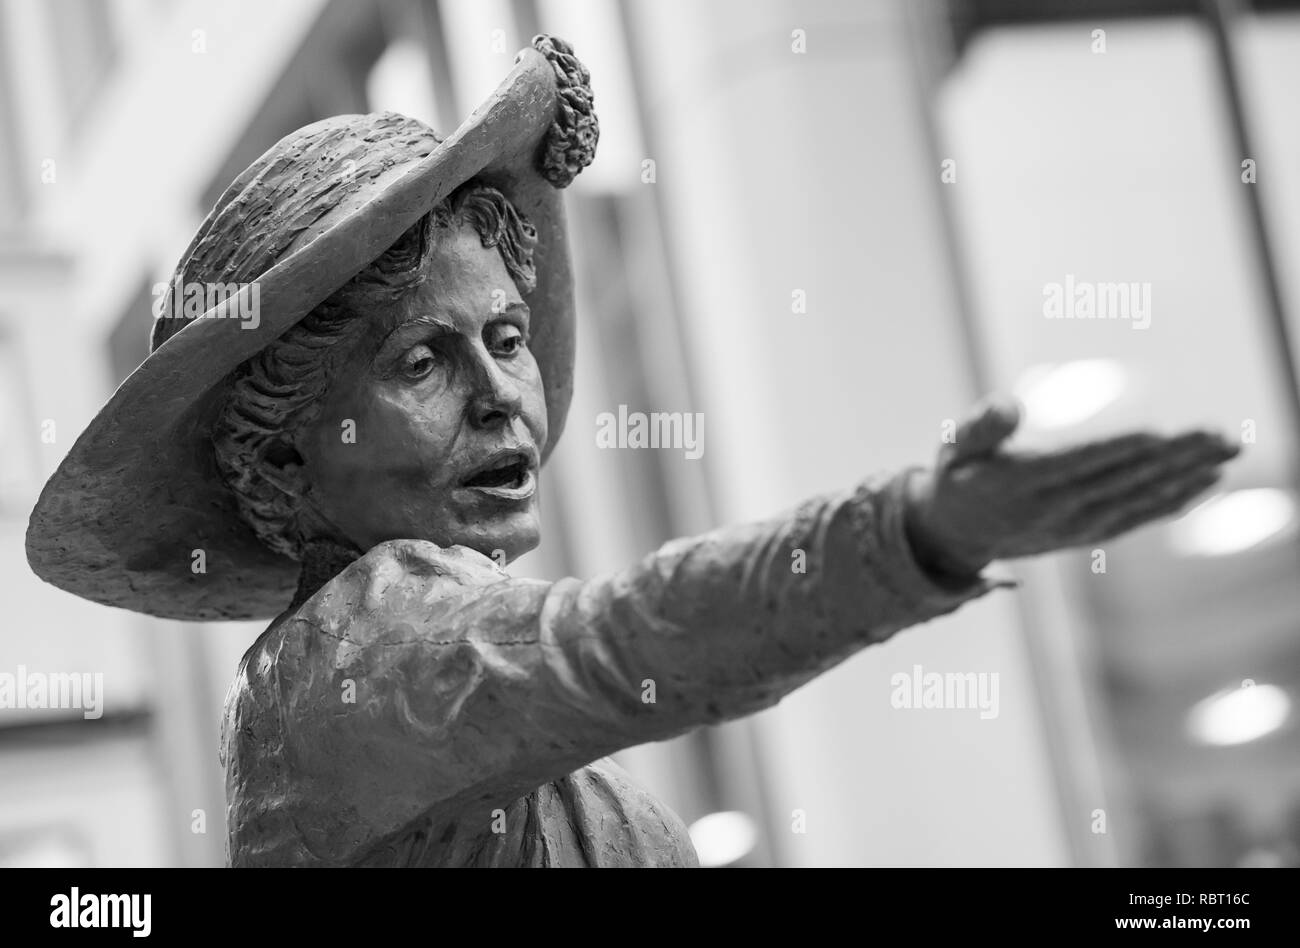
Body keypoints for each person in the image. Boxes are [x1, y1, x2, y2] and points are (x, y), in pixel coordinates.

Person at [26, 36, 1238, 867]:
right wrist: (912, 533)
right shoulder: (357, 657)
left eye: (507, 336)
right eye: (422, 364)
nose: (506, 396)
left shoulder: (441, 693)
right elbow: (629, 638)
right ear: (284, 466)